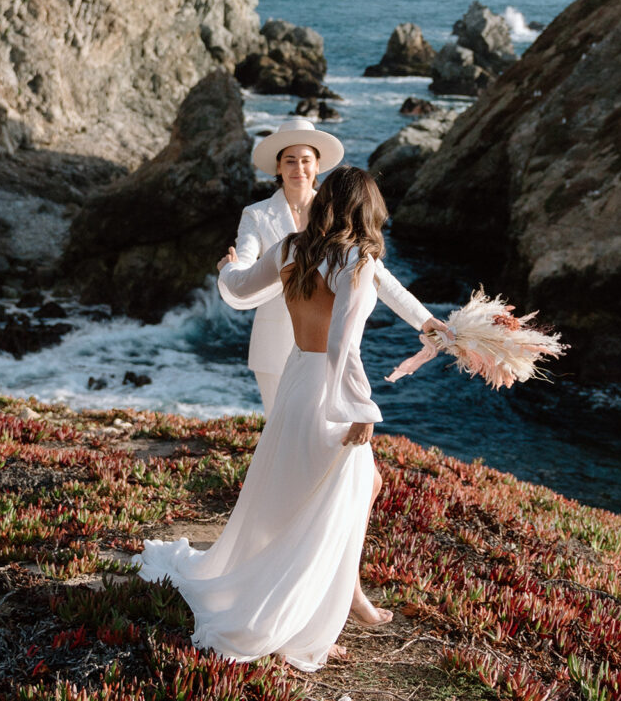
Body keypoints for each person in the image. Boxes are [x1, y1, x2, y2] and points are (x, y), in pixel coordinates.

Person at [134, 168, 408, 670]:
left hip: (296, 382)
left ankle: (317, 605)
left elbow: (238, 288)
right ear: (364, 209)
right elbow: (343, 343)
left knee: (295, 500)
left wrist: (228, 267)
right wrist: (361, 407)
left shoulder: (290, 247)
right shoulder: (356, 260)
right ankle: (306, 625)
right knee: (330, 511)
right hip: (331, 391)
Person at [219, 117, 445, 415]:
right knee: (280, 428)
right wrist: (231, 270)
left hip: (327, 345)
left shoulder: (333, 210)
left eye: (305, 160)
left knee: (327, 432)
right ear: (277, 167)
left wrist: (425, 321)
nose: (298, 168)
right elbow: (247, 264)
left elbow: (376, 274)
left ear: (317, 164)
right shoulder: (256, 214)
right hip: (273, 343)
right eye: (290, 161)